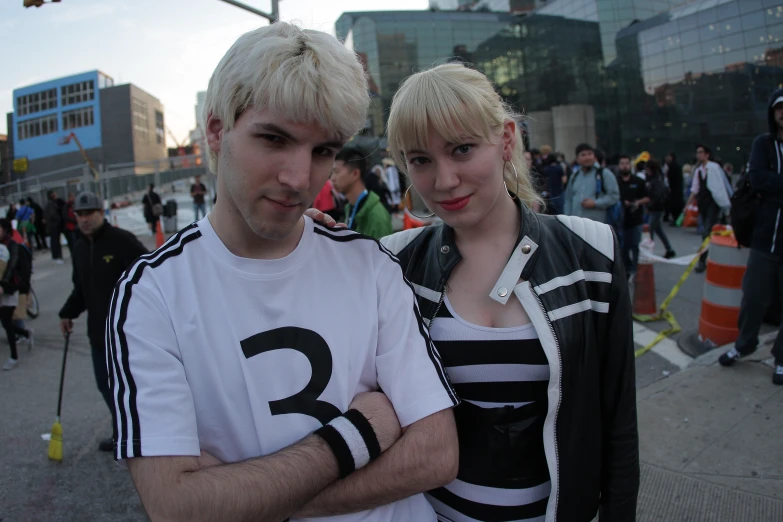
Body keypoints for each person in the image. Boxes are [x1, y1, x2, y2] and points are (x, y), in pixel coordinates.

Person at [106, 22, 458, 522]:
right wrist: (356, 436)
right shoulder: (152, 293)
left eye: (323, 151)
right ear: (215, 129)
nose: (298, 178)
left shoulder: (369, 265)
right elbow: (174, 507)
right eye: (274, 139)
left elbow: (437, 454)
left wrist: (241, 497)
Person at [380, 63, 638, 522]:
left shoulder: (590, 252)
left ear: (504, 139)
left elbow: (617, 420)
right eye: (420, 160)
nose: (444, 181)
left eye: (461, 149)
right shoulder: (391, 262)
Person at [59, 191, 149, 451]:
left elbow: (150, 276)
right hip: (99, 334)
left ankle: (144, 432)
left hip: (129, 333)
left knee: (133, 386)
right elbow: (81, 289)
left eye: (90, 213)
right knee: (105, 385)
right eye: (80, 214)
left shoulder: (122, 241)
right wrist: (67, 313)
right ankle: (125, 429)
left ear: (102, 213)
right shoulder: (79, 248)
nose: (85, 219)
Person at [719, 88, 783, 385]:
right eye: (779, 108)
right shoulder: (764, 144)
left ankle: (781, 358)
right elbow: (757, 179)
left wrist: (774, 186)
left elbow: (769, 184)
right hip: (764, 239)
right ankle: (744, 344)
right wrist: (770, 184)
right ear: (773, 112)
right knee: (754, 297)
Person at [331, 147, 394, 239]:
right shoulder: (350, 207)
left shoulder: (377, 217)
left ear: (355, 174)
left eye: (336, 172)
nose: (332, 178)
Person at [687, 144, 732, 273]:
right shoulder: (698, 171)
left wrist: (725, 205)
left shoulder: (714, 168)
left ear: (707, 154)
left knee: (706, 231)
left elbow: (720, 187)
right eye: (697, 152)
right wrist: (687, 205)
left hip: (713, 203)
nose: (699, 155)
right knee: (709, 231)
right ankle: (712, 256)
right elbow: (694, 189)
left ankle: (702, 261)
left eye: (701, 152)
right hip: (703, 204)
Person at [0, 219, 34, 370]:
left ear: (6, 230)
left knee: (7, 323)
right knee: (5, 323)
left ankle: (14, 357)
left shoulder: (13, 246)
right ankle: (26, 333)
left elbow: (11, 267)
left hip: (9, 289)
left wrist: (4, 285)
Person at [563, 143, 621, 226]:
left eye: (590, 154)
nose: (587, 157)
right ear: (577, 159)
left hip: (598, 225)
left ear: (594, 156)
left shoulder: (604, 174)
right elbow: (568, 199)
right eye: (583, 155)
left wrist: (595, 203)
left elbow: (614, 196)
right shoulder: (574, 176)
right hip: (576, 225)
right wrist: (567, 219)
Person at [617, 154, 648, 278]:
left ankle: (635, 270)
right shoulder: (615, 181)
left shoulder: (638, 181)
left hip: (636, 219)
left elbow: (647, 197)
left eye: (627, 163)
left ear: (631, 165)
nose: (624, 166)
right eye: (622, 163)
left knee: (635, 245)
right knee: (622, 248)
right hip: (620, 220)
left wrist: (637, 202)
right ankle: (626, 269)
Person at [645, 159, 676, 259]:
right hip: (658, 208)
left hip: (656, 208)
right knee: (658, 230)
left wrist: (649, 206)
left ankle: (649, 252)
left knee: (650, 230)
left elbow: (656, 196)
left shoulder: (654, 180)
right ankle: (669, 249)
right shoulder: (657, 178)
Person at [44, 191, 65, 264]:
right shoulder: (50, 204)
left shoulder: (52, 203)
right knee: (55, 241)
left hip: (53, 225)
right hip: (54, 225)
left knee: (55, 241)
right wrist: (58, 219)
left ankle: (56, 255)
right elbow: (52, 214)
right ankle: (57, 256)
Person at [664, 153, 684, 225]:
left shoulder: (672, 167)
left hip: (674, 190)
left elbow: (671, 178)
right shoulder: (676, 166)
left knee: (674, 205)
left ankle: (676, 219)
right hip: (677, 189)